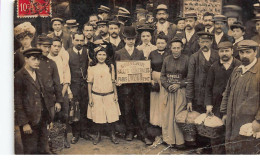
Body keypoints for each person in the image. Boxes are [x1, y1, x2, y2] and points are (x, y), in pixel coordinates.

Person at [220, 40, 260, 154]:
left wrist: (258, 120)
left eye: (248, 52)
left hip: (250, 122)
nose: (244, 56)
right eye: (242, 53)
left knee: (248, 149)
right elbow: (227, 92)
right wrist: (224, 112)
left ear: (255, 52)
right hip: (232, 120)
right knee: (232, 147)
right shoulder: (237, 70)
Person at [114, 26, 152, 145]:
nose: (131, 41)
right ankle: (129, 132)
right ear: (124, 39)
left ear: (136, 39)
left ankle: (143, 134)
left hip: (138, 88)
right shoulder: (118, 53)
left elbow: (143, 69)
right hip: (125, 89)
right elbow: (116, 70)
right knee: (127, 110)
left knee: (140, 111)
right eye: (128, 39)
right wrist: (117, 80)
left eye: (133, 39)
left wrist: (147, 73)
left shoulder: (139, 53)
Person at [14, 48, 54, 154]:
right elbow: (18, 102)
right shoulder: (19, 76)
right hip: (30, 121)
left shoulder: (38, 74)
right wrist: (24, 123)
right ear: (26, 59)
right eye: (33, 59)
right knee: (30, 150)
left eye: (38, 59)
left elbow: (43, 98)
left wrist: (48, 119)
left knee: (42, 149)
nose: (37, 62)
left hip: (41, 119)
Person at [204, 41, 241, 154]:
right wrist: (209, 104)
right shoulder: (214, 67)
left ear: (232, 51)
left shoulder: (239, 66)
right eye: (221, 51)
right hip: (217, 105)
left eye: (226, 51)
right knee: (216, 133)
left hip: (235, 104)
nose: (224, 53)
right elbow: (208, 87)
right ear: (218, 52)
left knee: (232, 132)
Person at [186, 31, 219, 153]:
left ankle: (213, 147)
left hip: (213, 95)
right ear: (199, 43)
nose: (205, 44)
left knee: (213, 119)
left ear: (211, 42)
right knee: (200, 120)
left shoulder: (217, 55)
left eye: (207, 41)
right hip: (199, 96)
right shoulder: (194, 57)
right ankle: (201, 146)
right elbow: (190, 79)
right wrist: (189, 99)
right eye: (202, 42)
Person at [87, 47, 121, 145]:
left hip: (109, 94)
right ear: (96, 56)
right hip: (96, 95)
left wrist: (115, 94)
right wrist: (90, 97)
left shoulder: (110, 66)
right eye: (99, 54)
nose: (101, 57)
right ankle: (98, 134)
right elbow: (89, 83)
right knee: (98, 116)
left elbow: (113, 81)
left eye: (103, 55)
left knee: (111, 116)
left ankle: (112, 134)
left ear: (107, 56)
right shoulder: (92, 67)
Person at [160, 38, 189, 149]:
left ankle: (180, 141)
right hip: (169, 91)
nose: (176, 50)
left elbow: (189, 77)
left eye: (178, 48)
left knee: (178, 116)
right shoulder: (167, 59)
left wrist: (179, 84)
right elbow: (162, 76)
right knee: (168, 115)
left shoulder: (187, 59)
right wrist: (167, 86)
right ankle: (169, 139)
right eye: (174, 48)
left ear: (182, 48)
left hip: (181, 92)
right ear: (170, 48)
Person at [48, 37, 72, 148]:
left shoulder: (63, 59)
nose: (56, 48)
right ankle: (51, 139)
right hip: (50, 91)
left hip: (62, 90)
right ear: (50, 46)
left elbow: (67, 77)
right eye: (54, 46)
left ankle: (64, 139)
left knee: (64, 116)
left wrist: (62, 94)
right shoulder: (46, 60)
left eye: (59, 46)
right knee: (52, 116)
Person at [67, 31, 89, 144]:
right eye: (77, 40)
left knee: (85, 108)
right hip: (73, 86)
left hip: (85, 86)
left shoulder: (87, 52)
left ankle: (84, 132)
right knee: (75, 110)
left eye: (81, 40)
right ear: (73, 40)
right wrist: (69, 90)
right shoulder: (67, 53)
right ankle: (75, 134)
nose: (79, 42)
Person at [148, 34, 169, 128]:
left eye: (162, 43)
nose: (160, 45)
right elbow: (147, 68)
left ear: (166, 43)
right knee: (155, 100)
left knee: (164, 100)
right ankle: (155, 122)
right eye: (158, 43)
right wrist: (150, 79)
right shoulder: (152, 53)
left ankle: (164, 122)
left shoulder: (169, 53)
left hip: (166, 78)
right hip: (155, 77)